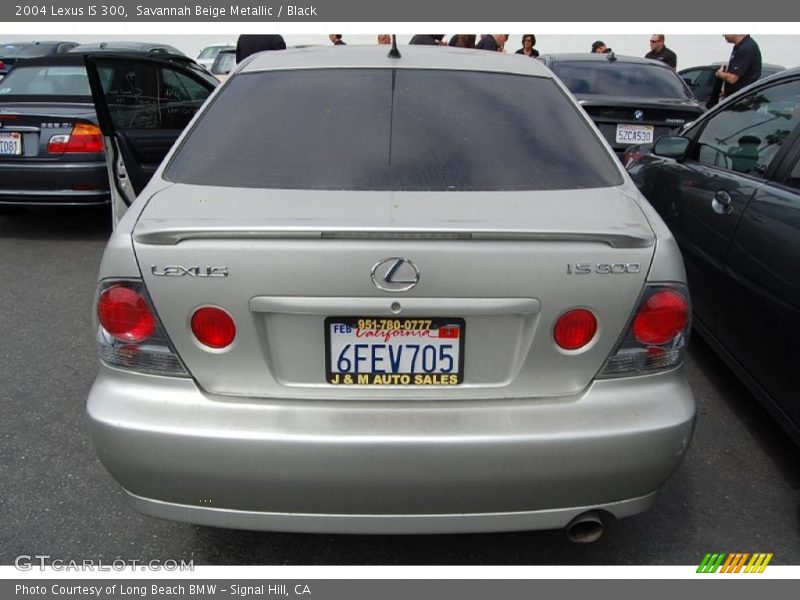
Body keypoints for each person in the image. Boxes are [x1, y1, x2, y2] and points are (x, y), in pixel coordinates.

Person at [717, 35, 762, 100]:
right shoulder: (739, 46)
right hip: (737, 96)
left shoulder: (746, 47)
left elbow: (732, 79)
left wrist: (720, 73)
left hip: (742, 99)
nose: (723, 35)